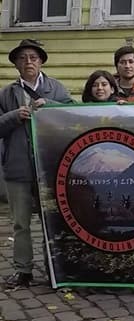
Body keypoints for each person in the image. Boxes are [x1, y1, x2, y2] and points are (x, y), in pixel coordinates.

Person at [1, 39, 73, 287]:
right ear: (16, 64)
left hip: (50, 168)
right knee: (20, 223)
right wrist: (13, 116)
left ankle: (54, 269)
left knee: (51, 221)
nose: (28, 61)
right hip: (18, 167)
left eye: (33, 57)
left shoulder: (56, 88)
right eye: (22, 58)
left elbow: (73, 116)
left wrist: (50, 105)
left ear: (40, 61)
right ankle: (24, 271)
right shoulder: (7, 93)